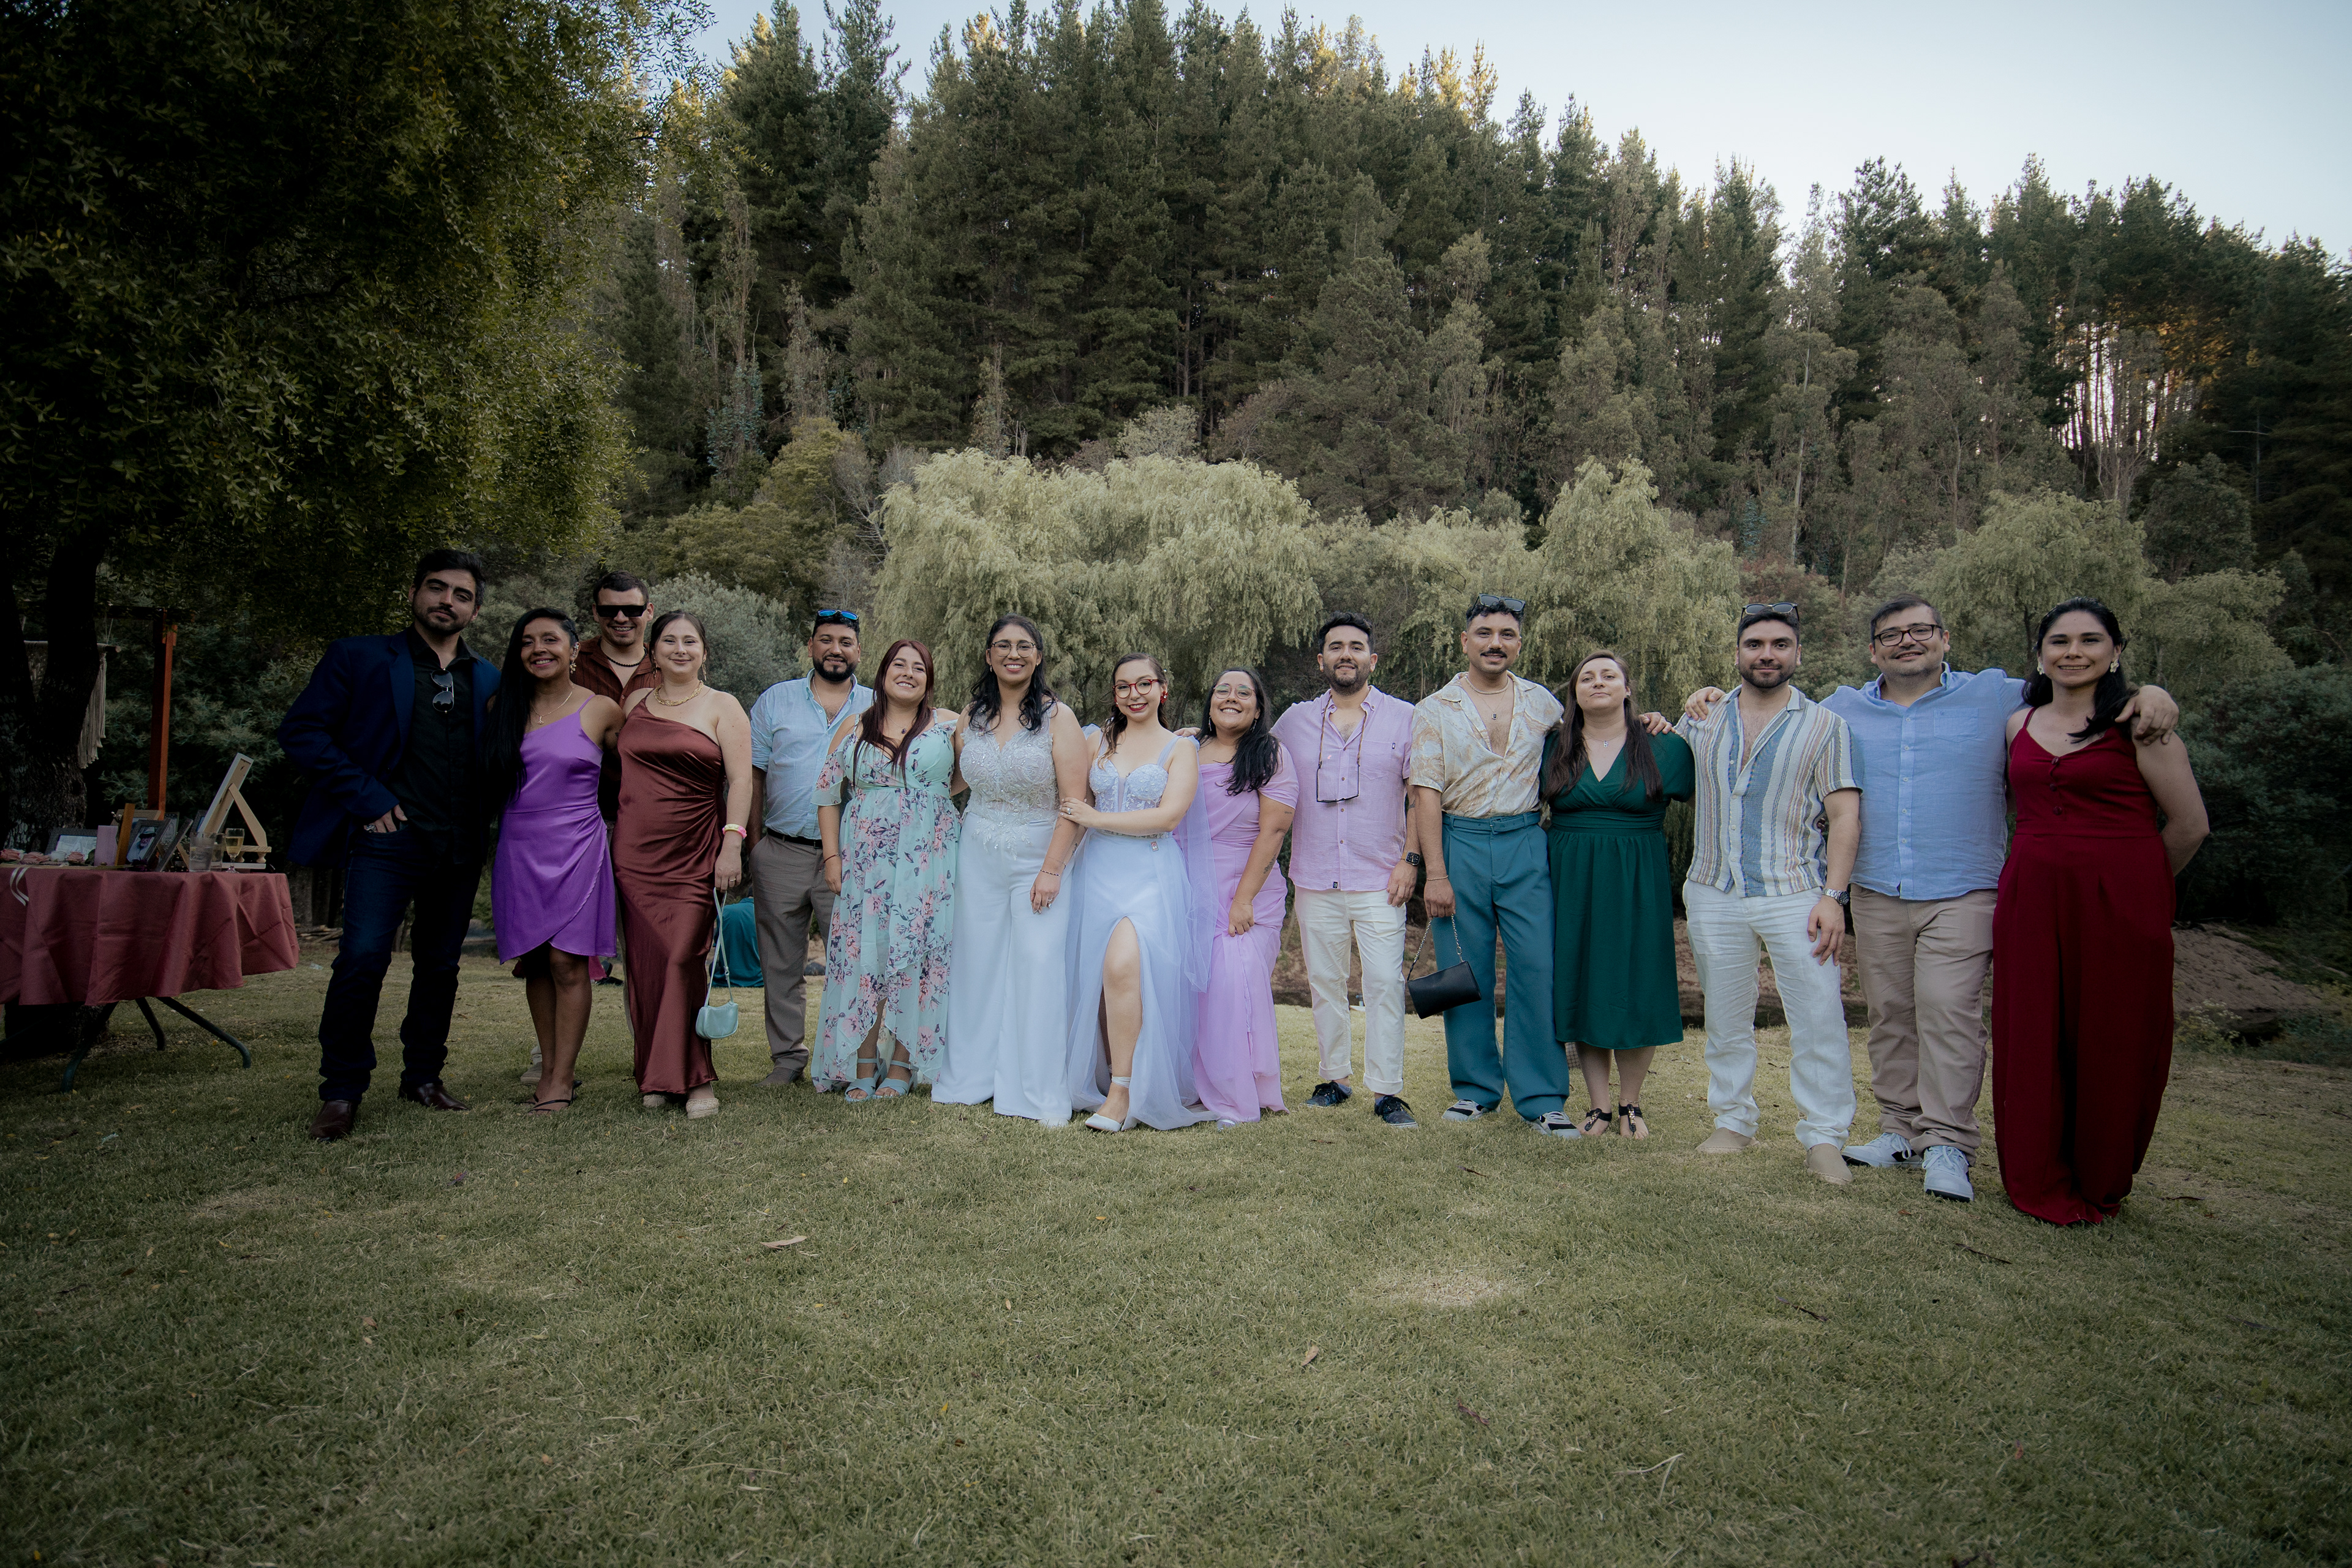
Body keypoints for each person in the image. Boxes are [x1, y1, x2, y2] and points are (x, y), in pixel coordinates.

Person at [1737, 595, 2179, 1203]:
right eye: (1892, 635)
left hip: (1965, 887)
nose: (1907, 641)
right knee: (1891, 1015)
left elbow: (2077, 689)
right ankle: (1899, 1128)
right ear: (1873, 651)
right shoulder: (1842, 708)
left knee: (1948, 1011)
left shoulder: (1997, 696)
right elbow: (1772, 706)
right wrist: (1707, 698)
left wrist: (2151, 693)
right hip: (1877, 886)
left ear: (1945, 639)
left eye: (1921, 630)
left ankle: (1947, 1141)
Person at [1994, 598, 2206, 1225]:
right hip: (2032, 897)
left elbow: (2190, 826)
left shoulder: (2141, 724)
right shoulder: (2018, 723)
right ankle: (2036, 1170)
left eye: (2090, 640)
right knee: (2032, 1031)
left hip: (2121, 901)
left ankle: (2100, 1174)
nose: (2073, 652)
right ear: (2040, 653)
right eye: (2059, 641)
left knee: (2113, 1034)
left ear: (2115, 651)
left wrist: (2136, 886)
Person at [280, 551, 498, 1142]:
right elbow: (302, 731)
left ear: (475, 610)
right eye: (437, 588)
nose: (447, 601)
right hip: (388, 840)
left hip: (459, 845)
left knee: (441, 966)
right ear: (413, 594)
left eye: (461, 595)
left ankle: (423, 1077)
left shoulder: (489, 679)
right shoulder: (359, 656)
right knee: (362, 959)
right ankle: (342, 1090)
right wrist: (368, 798)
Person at [1674, 603, 1861, 1183]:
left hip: (1794, 890)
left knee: (1818, 1016)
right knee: (1726, 1015)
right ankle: (1733, 1120)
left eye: (1780, 645)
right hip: (1713, 888)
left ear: (1797, 653)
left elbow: (1844, 814)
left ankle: (1824, 1136)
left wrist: (1834, 896)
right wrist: (1661, 715)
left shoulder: (1825, 726)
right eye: (1755, 644)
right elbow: (1661, 768)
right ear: (1738, 653)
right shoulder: (1703, 717)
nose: (1767, 655)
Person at [1409, 595, 1578, 1137]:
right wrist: (1435, 874)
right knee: (1465, 970)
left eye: (1507, 634)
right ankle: (1475, 1090)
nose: (1495, 643)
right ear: (1466, 642)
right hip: (1458, 842)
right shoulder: (1435, 708)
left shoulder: (1542, 703)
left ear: (1519, 644)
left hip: (1524, 841)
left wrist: (1645, 720)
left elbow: (1595, 736)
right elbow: (1425, 793)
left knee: (1537, 968)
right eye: (1484, 633)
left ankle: (1542, 1097)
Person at [932, 615, 1091, 1124]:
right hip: (976, 852)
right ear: (988, 656)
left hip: (1038, 855)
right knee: (975, 963)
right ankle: (971, 1076)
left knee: (1037, 964)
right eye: (1003, 645)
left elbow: (1076, 802)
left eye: (1024, 646)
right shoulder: (971, 716)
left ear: (1038, 657)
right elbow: (956, 779)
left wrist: (1052, 870)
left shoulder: (1058, 718)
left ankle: (1033, 1089)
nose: (1013, 654)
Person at [1269, 613, 1421, 1127]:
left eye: (1356, 646)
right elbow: (1248, 753)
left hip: (1382, 879)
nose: (1346, 654)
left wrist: (1411, 861)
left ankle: (1387, 1091)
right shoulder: (1294, 722)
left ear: (1372, 659)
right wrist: (1189, 740)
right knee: (1324, 983)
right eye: (1336, 647)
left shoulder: (1406, 718)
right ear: (1322, 661)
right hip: (1315, 877)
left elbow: (1421, 797)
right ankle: (1334, 1078)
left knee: (1383, 984)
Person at [1058, 652, 1216, 1132]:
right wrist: (1052, 869)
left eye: (1145, 684)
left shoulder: (1180, 748)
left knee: (1123, 966)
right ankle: (1104, 1076)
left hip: (1149, 873)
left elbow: (1168, 817)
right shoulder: (1097, 741)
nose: (1135, 694)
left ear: (1162, 689)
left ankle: (1123, 1094)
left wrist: (1097, 818)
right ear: (1115, 694)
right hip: (1095, 871)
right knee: (1094, 978)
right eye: (1124, 686)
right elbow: (1071, 803)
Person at [1544, 650, 1695, 1139]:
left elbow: (1714, 794)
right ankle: (1599, 1106)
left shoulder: (1664, 747)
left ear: (1627, 689)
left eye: (1609, 675)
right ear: (1575, 692)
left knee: (1636, 982)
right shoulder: (1553, 746)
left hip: (1637, 879)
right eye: (1586, 677)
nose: (1598, 682)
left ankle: (1632, 1103)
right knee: (1584, 983)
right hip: (1571, 878)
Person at [481, 610, 625, 1114]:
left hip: (579, 846)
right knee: (537, 962)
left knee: (567, 962)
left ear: (573, 649)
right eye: (527, 642)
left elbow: (638, 776)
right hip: (519, 847)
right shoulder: (500, 708)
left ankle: (562, 1080)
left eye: (550, 639)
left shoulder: (603, 710)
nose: (539, 649)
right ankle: (546, 1072)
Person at [614, 611, 752, 1118]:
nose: (680, 649)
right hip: (635, 854)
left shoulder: (723, 706)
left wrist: (732, 844)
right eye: (669, 641)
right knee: (647, 965)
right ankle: (656, 1075)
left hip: (695, 852)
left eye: (690, 641)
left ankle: (696, 1080)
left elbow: (741, 781)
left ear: (704, 651)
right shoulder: (634, 704)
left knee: (683, 959)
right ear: (652, 651)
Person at [810, 639, 962, 1100]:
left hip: (928, 862)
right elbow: (826, 793)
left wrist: (928, 800)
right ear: (883, 672)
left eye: (919, 668)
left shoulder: (949, 725)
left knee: (918, 956)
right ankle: (862, 1061)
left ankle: (903, 1063)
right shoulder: (856, 725)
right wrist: (832, 858)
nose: (908, 673)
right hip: (865, 863)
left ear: (929, 680)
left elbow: (969, 775)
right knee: (865, 956)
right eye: (900, 664)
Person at [744, 611, 873, 1087]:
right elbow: (754, 775)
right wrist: (753, 845)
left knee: (853, 961)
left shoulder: (878, 705)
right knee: (781, 963)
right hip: (782, 850)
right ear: (811, 646)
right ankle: (787, 1059)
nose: (835, 649)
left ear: (858, 651)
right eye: (826, 640)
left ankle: (846, 1060)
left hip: (852, 855)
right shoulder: (775, 701)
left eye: (845, 642)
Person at [1194, 668, 1298, 1128]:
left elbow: (1274, 830)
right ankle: (1196, 1086)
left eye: (1244, 692)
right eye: (1223, 690)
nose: (1231, 698)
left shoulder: (1270, 754)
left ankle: (1238, 1095)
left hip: (1248, 886)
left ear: (1258, 709)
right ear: (1210, 702)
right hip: (1192, 883)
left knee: (1233, 984)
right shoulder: (1188, 749)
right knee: (1195, 989)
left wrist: (1243, 899)